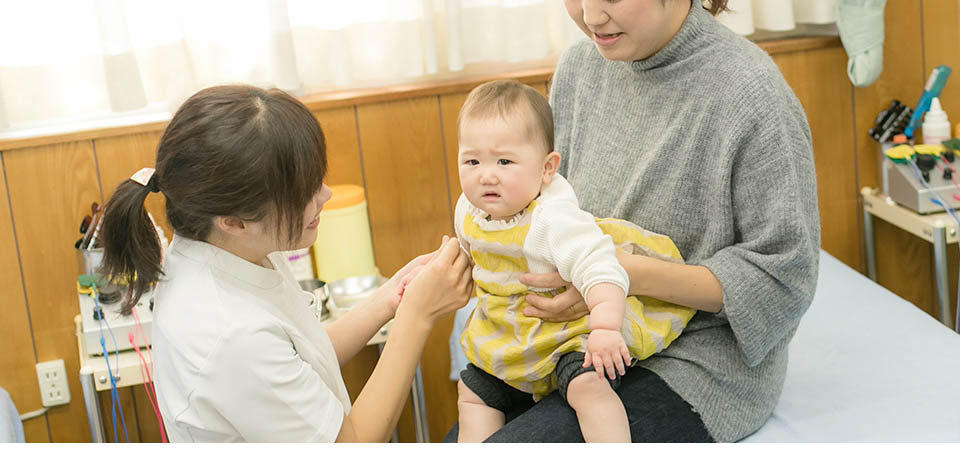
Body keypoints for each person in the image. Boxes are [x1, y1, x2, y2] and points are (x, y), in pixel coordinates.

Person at [445, 0, 819, 442]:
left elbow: (784, 277)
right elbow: (537, 205)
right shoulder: (581, 67)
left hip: (693, 361)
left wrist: (619, 274)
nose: (591, 16)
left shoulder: (750, 92)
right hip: (565, 342)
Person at [98, 85, 473, 442]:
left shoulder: (228, 249)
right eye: (304, 193)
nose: (325, 195)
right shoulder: (229, 335)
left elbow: (302, 357)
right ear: (235, 222)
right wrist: (417, 316)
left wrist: (390, 299)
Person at [452, 79, 695, 442]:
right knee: (472, 394)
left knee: (588, 387)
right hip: (507, 339)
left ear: (547, 168)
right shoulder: (468, 211)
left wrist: (605, 329)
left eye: (504, 161)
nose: (486, 175)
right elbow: (472, 257)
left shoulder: (552, 219)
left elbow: (603, 269)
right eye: (472, 161)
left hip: (563, 339)